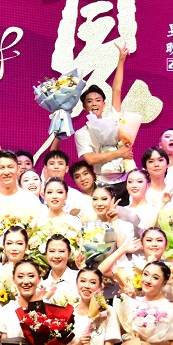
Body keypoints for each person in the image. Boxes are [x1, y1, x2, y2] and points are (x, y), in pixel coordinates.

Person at [73, 42, 132, 204]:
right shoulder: (81, 133)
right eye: (89, 101)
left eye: (98, 100)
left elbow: (116, 90)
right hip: (102, 184)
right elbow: (91, 159)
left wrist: (121, 60)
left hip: (125, 180)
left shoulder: (113, 120)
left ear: (104, 104)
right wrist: (119, 153)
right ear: (84, 107)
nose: (94, 104)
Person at [118, 261, 173, 345]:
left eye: (155, 278)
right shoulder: (134, 302)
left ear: (164, 283)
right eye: (145, 274)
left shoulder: (168, 307)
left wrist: (149, 344)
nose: (148, 280)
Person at [69, 267, 120, 345]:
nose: (86, 286)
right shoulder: (69, 313)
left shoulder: (108, 311)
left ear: (100, 286)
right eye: (83, 281)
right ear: (77, 284)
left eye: (92, 282)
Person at [42, 150, 91, 216]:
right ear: (45, 168)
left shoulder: (77, 196)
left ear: (66, 168)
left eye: (60, 163)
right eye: (52, 163)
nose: (56, 167)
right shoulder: (39, 193)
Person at [0, 227, 29, 303]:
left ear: (26, 247)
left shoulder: (33, 274)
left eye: (19, 243)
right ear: (4, 246)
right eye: (9, 243)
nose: (14, 248)